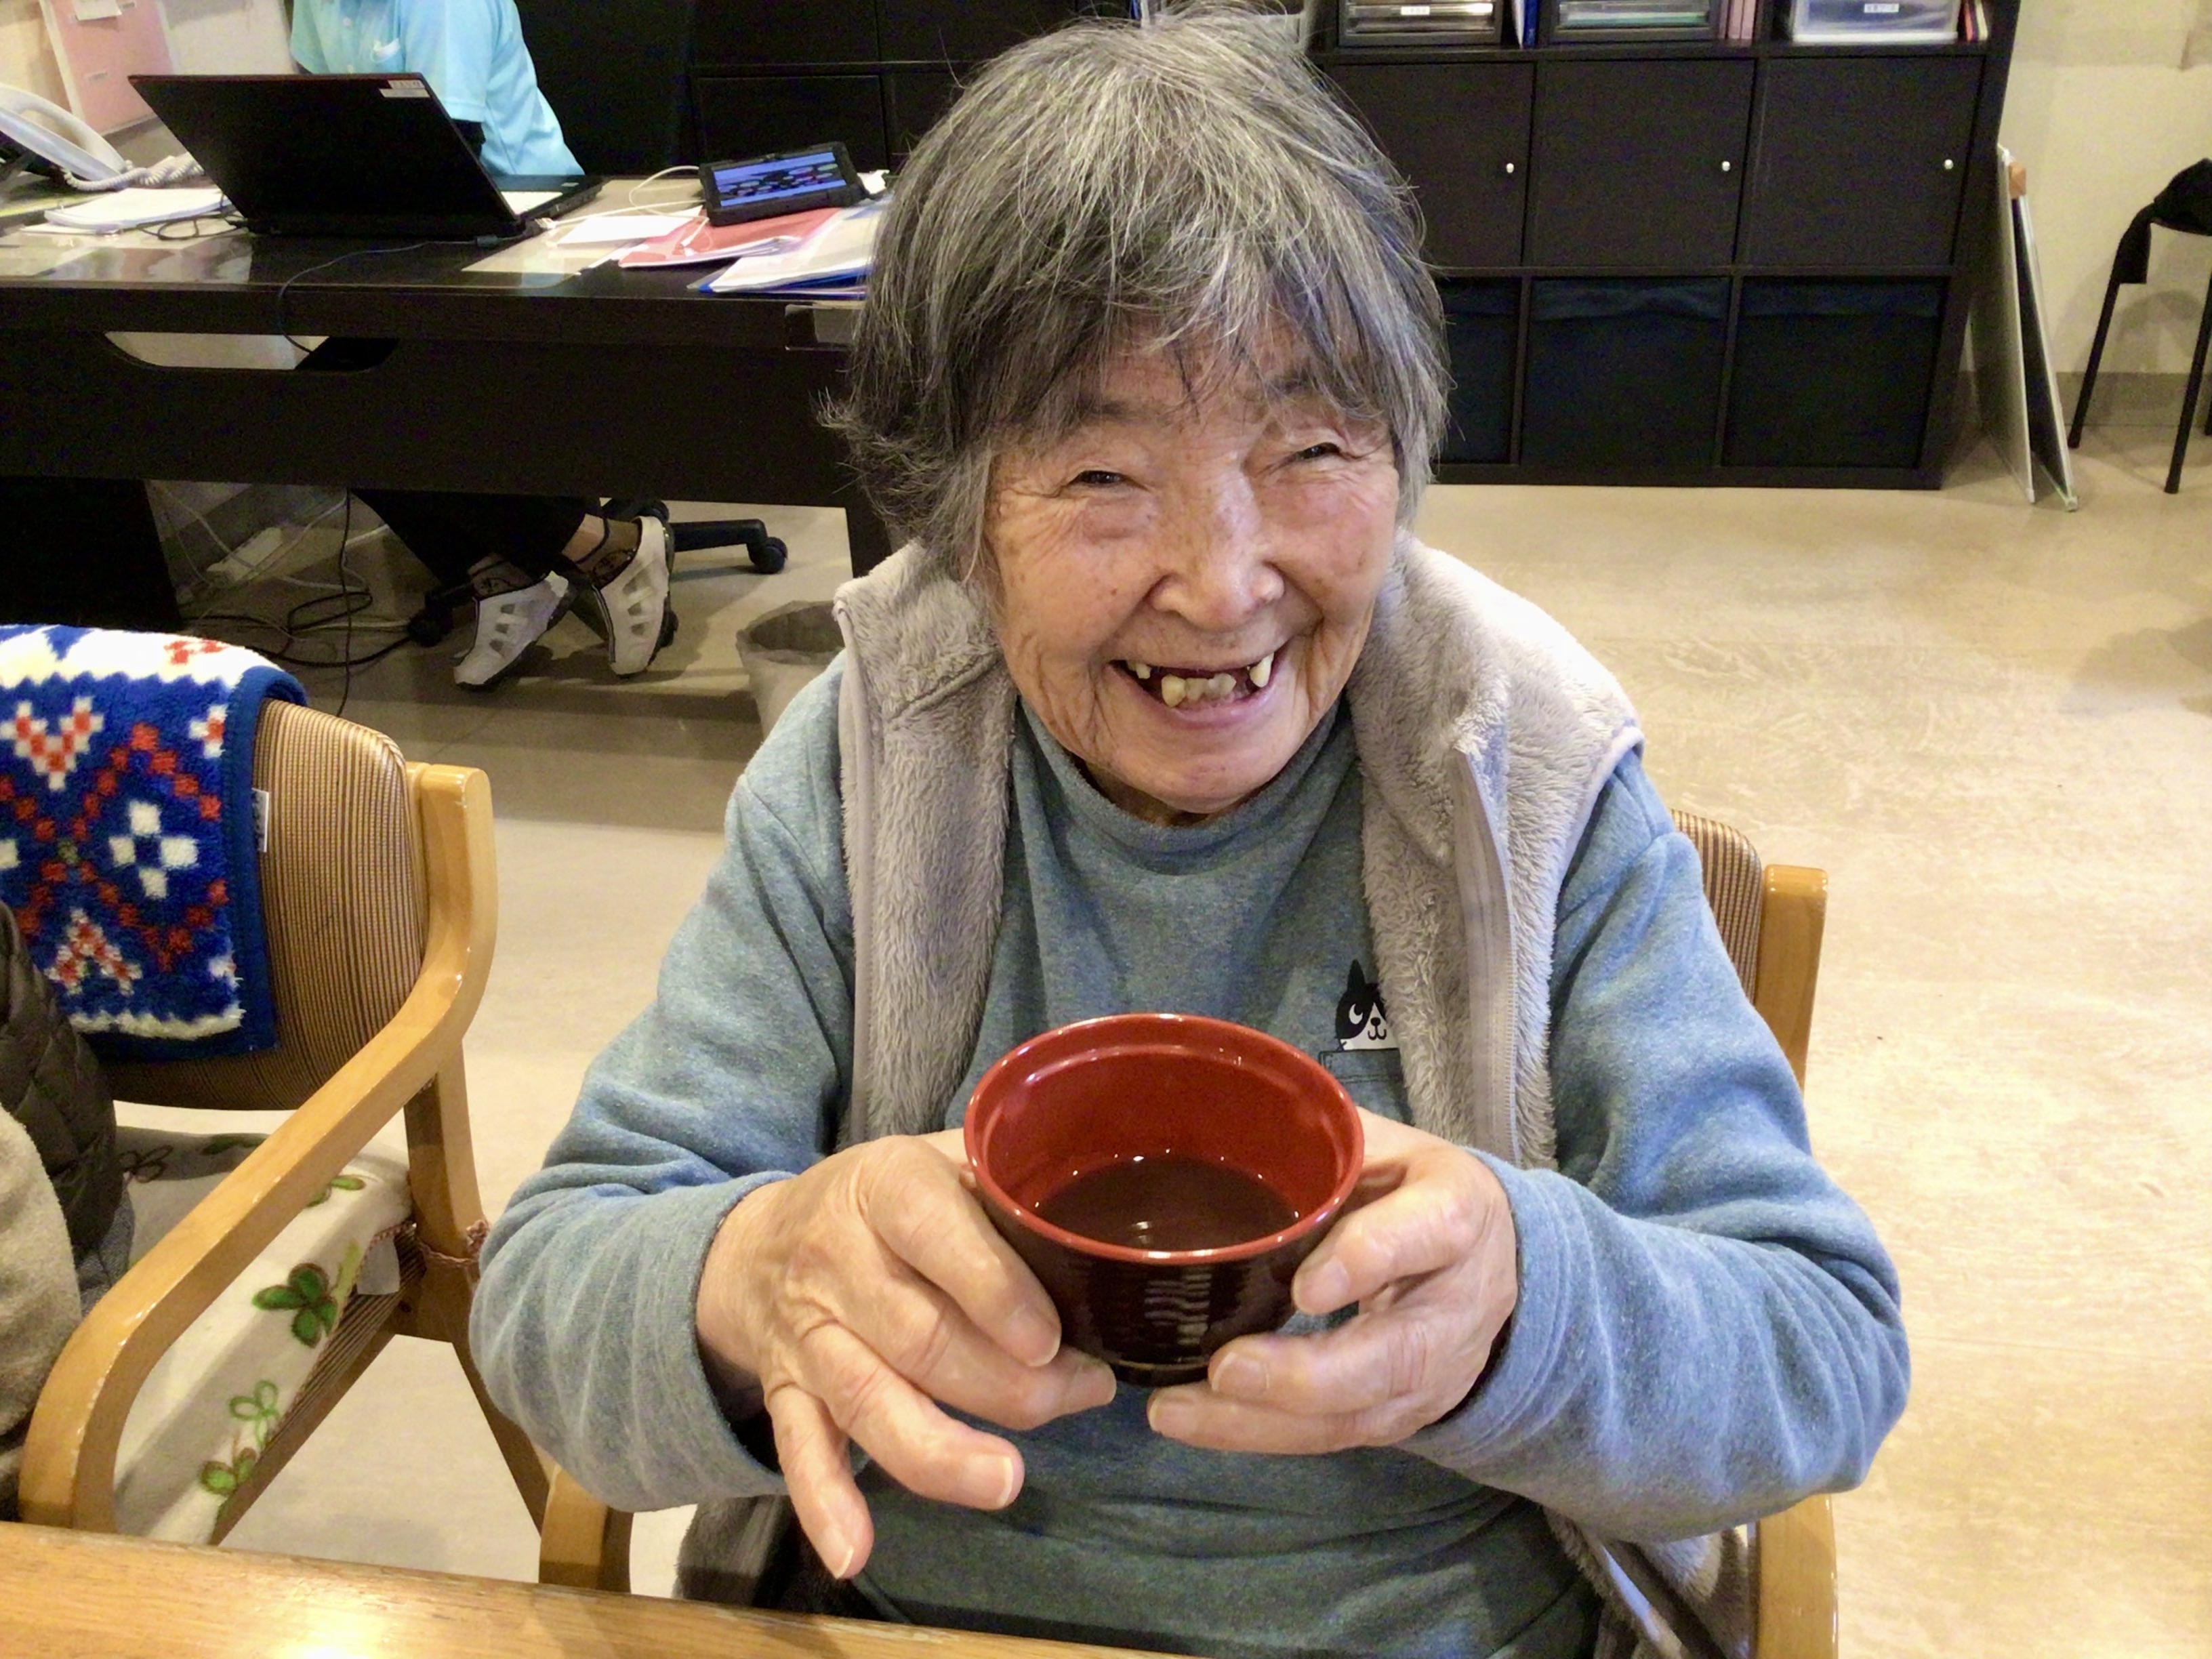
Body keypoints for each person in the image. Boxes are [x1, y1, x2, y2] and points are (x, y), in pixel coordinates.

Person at [470, 9, 1910, 1657]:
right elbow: (547, 1300)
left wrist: (1529, 1303)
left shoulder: (1523, 769)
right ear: (955, 511)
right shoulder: (871, 763)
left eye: (1312, 447)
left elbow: (1821, 1353)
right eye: (1101, 473)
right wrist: (748, 1276)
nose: (1222, 586)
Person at [289, 0, 672, 687]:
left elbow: (445, 150)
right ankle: (519, 568)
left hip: (529, 232)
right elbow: (318, 122)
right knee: (324, 398)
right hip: (419, 237)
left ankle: (596, 548)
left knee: (408, 388)